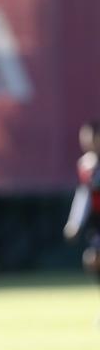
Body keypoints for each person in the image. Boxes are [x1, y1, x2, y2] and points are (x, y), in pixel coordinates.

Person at [64, 121, 100, 291]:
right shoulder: (86, 165)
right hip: (97, 221)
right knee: (92, 258)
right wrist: (75, 222)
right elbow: (83, 195)